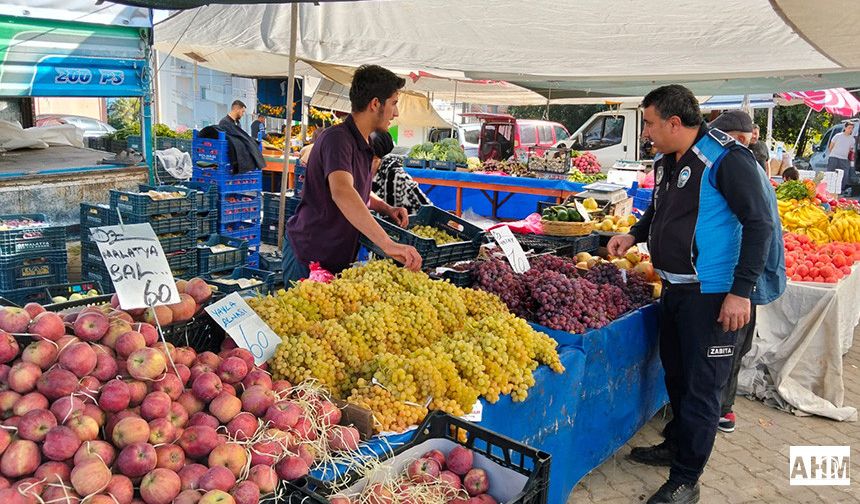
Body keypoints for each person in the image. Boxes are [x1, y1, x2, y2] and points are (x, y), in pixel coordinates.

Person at [608, 85, 775, 504]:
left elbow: (760, 225)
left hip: (715, 296)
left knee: (703, 391)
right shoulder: (667, 160)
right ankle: (676, 447)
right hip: (676, 290)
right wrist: (635, 233)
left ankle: (686, 479)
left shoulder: (727, 159)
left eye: (648, 122)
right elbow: (660, 208)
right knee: (677, 377)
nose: (646, 131)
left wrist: (741, 292)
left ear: (674, 123)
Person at [283, 64, 422, 283]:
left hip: (333, 258)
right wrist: (388, 244)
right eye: (394, 104)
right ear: (375, 104)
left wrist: (387, 208)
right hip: (309, 257)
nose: (396, 113)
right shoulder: (338, 140)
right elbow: (343, 192)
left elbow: (358, 191)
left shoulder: (364, 142)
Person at [707, 110, 787, 433]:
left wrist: (740, 289)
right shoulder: (750, 166)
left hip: (747, 274)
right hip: (752, 273)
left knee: (729, 345)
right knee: (737, 343)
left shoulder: (739, 168)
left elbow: (755, 227)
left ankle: (720, 411)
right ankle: (723, 409)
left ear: (734, 139)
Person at [828, 122, 855, 192]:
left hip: (844, 159)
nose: (850, 130)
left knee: (844, 175)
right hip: (834, 157)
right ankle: (828, 189)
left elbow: (850, 150)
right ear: (845, 128)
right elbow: (831, 146)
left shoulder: (852, 139)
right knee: (830, 174)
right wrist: (833, 155)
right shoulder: (838, 136)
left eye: (852, 128)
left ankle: (840, 190)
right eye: (849, 128)